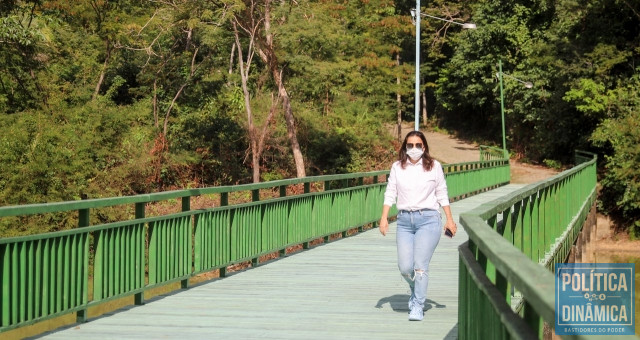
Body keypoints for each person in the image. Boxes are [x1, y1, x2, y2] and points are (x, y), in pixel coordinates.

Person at [378, 130, 457, 321]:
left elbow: (442, 193)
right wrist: (384, 217)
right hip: (404, 221)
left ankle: (418, 305)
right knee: (405, 267)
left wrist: (449, 219)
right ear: (405, 146)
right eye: (410, 145)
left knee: (420, 265)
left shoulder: (434, 166)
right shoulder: (397, 167)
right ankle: (416, 289)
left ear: (424, 147)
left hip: (429, 220)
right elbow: (391, 192)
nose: (414, 148)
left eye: (418, 145)